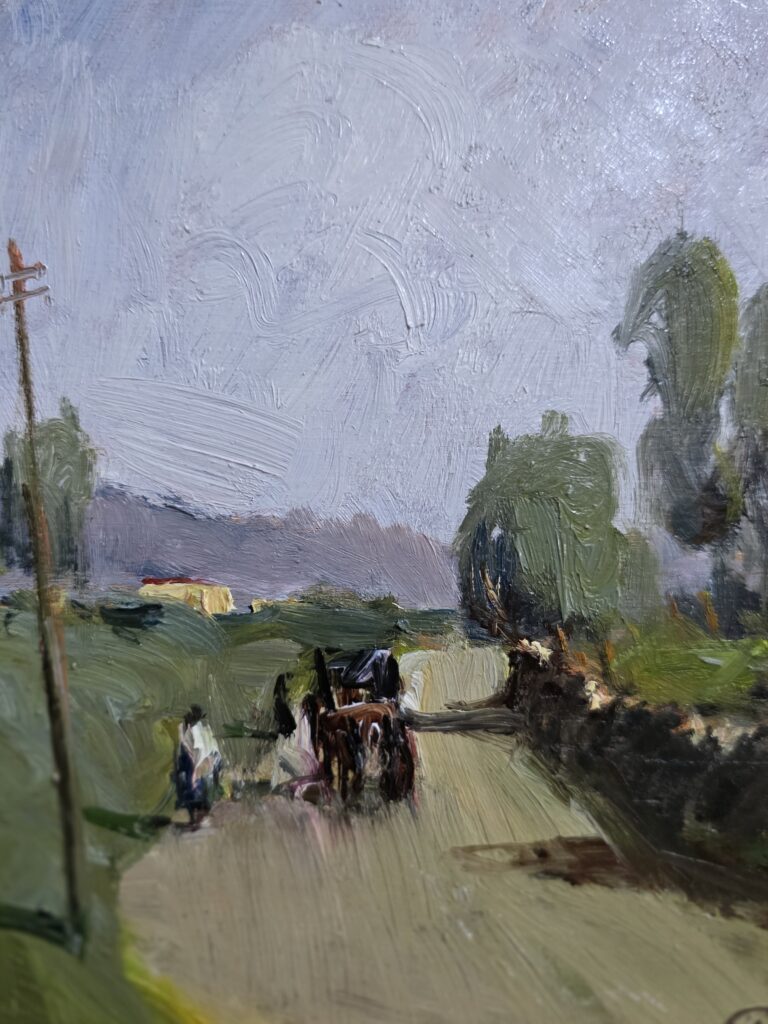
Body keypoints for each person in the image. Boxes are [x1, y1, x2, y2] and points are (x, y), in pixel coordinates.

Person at [173, 704, 223, 825]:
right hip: (204, 764)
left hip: (204, 764)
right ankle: (198, 813)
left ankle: (199, 813)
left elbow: (202, 752)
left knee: (198, 788)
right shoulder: (199, 729)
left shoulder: (197, 730)